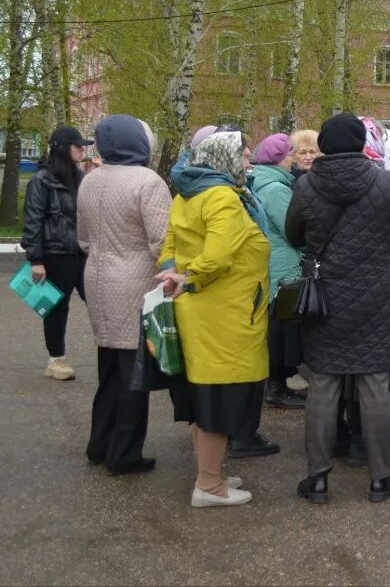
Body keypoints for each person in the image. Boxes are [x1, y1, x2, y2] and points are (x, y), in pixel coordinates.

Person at [286, 113, 390, 505]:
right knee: (375, 383)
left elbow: (294, 234)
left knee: (324, 384)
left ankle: (318, 478)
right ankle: (380, 479)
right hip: (377, 296)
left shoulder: (307, 185)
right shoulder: (387, 183)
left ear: (324, 143)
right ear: (363, 141)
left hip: (325, 298)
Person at [156, 131, 270, 508]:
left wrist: (175, 273)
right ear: (223, 159)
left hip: (206, 312)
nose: (247, 162)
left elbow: (169, 246)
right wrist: (191, 276)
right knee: (219, 400)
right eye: (243, 155)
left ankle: (212, 473)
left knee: (207, 395)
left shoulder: (188, 193)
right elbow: (220, 255)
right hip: (225, 314)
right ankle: (210, 486)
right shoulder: (222, 196)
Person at [76, 115, 173, 474]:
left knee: (109, 370)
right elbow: (162, 241)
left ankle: (99, 443)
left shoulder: (90, 179)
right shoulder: (148, 181)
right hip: (134, 279)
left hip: (97, 276)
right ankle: (124, 453)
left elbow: (83, 237)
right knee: (135, 373)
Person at [21, 125, 94, 381]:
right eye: (78, 145)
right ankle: (56, 360)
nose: (82, 149)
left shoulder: (81, 176)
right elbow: (33, 220)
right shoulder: (42, 180)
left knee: (96, 299)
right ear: (63, 148)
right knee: (56, 307)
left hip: (82, 252)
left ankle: (116, 350)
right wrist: (36, 259)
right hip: (55, 253)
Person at [250, 133, 305, 410]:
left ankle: (276, 384)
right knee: (281, 329)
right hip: (283, 265)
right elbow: (291, 228)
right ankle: (276, 386)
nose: (293, 159)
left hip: (271, 262)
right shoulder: (275, 188)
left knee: (277, 325)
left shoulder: (260, 181)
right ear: (278, 158)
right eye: (289, 155)